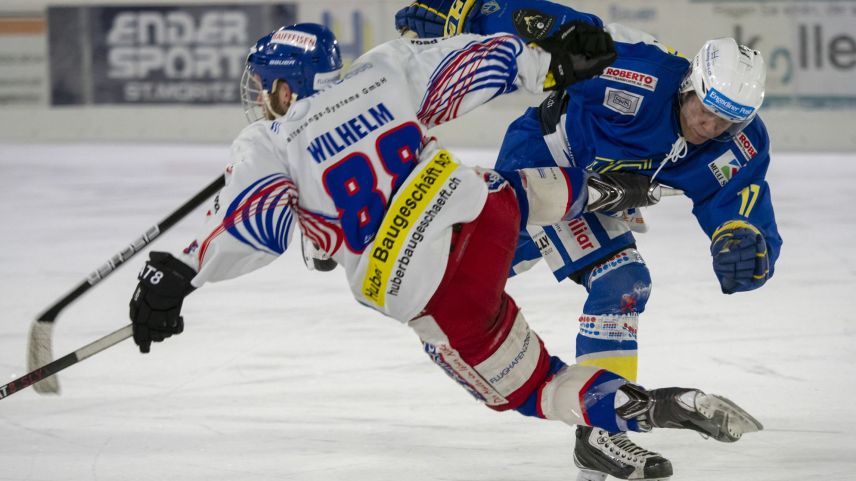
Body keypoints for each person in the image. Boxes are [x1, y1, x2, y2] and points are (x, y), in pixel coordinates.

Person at [127, 22, 762, 477]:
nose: (261, 98)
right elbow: (479, 65)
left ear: (286, 91)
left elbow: (247, 225)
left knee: (536, 388)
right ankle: (590, 193)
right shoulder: (380, 69)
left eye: (266, 87)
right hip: (477, 209)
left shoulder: (264, 143)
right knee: (506, 192)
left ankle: (645, 408)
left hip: (429, 289)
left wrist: (175, 273)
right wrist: (550, 63)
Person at [395, 1, 782, 480]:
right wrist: (475, 11)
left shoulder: (736, 142)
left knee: (623, 282)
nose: (711, 129)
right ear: (689, 86)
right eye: (705, 111)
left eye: (729, 122)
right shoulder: (641, 72)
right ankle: (343, 229)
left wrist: (745, 243)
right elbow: (565, 33)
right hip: (538, 174)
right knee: (438, 278)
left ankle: (601, 433)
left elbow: (740, 200)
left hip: (594, 201)